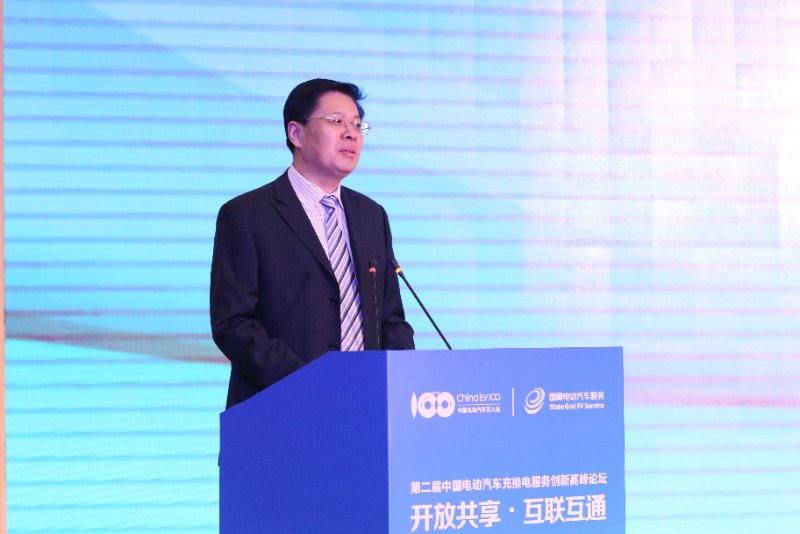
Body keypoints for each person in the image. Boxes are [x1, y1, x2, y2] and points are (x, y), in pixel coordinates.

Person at [210, 79, 415, 409]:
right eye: (337, 121)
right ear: (296, 134)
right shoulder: (247, 215)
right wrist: (310, 384)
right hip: (281, 408)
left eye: (357, 125)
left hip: (365, 407)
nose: (351, 134)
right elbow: (234, 324)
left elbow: (390, 319)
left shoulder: (371, 215)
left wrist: (397, 382)